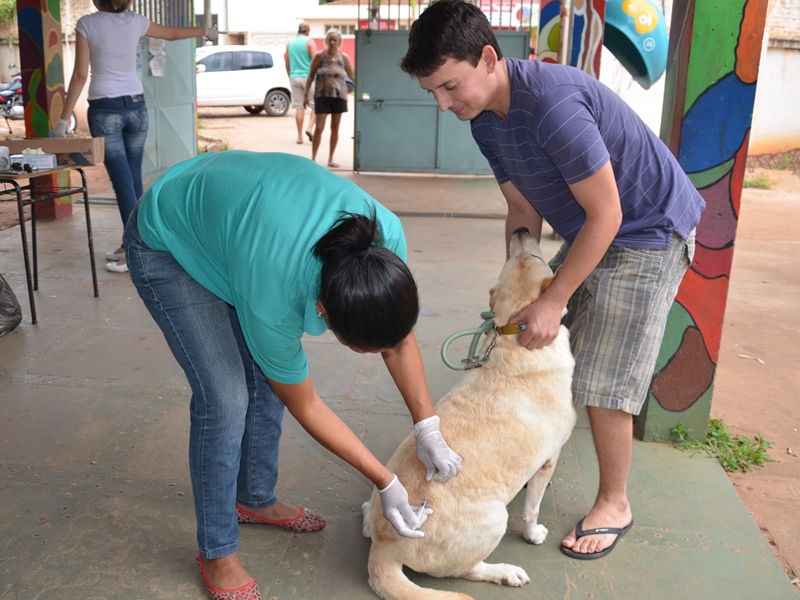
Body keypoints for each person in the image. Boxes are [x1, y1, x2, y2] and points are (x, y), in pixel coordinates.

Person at [400, 0, 705, 561]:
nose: (443, 104)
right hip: (594, 226)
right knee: (562, 350)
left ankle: (615, 503)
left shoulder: (552, 107)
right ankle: (543, 454)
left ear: (488, 59)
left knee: (602, 374)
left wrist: (554, 298)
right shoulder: (485, 118)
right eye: (432, 93)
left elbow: (608, 216)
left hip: (645, 230)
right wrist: (519, 274)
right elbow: (520, 206)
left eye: (449, 86)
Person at [123, 151, 463, 598]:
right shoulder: (275, 291)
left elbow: (398, 338)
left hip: (234, 218)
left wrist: (427, 426)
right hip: (169, 237)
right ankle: (218, 551)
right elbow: (305, 402)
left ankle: (254, 497)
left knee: (266, 377)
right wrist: (385, 479)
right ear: (322, 311)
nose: (382, 352)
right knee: (226, 398)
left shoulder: (384, 240)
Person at [52, 0, 218, 274]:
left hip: (106, 110)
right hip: (137, 107)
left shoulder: (88, 24)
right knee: (133, 181)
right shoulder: (136, 21)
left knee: (123, 183)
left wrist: (62, 120)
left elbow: (80, 75)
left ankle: (134, 251)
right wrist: (205, 30)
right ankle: (130, 241)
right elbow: (173, 33)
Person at [304, 28, 354, 168]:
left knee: (335, 128)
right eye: (330, 39)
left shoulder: (343, 57)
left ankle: (330, 158)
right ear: (326, 41)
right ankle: (313, 158)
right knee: (319, 127)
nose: (332, 42)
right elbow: (310, 75)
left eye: (335, 40)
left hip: (339, 96)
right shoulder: (320, 56)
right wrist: (305, 94)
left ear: (339, 42)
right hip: (322, 95)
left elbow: (353, 76)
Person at [285, 22, 317, 144]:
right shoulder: (310, 42)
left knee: (299, 107)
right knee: (315, 106)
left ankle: (299, 136)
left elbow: (287, 63)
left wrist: (290, 76)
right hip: (309, 78)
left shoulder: (290, 43)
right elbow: (316, 61)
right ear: (308, 31)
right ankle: (309, 128)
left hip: (294, 77)